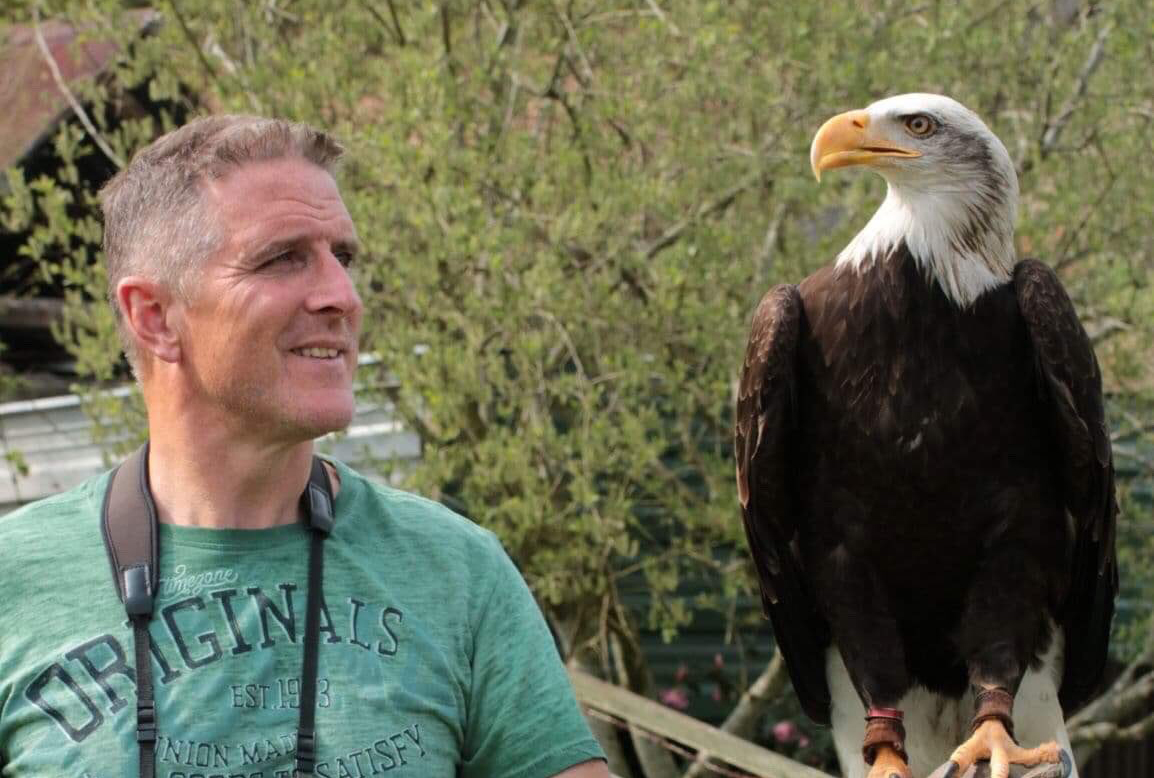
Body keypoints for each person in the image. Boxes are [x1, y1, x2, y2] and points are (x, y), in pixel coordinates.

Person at [0, 116, 609, 778]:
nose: (341, 296)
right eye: (282, 258)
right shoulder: (15, 582)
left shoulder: (457, 573)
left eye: (342, 257)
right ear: (154, 316)